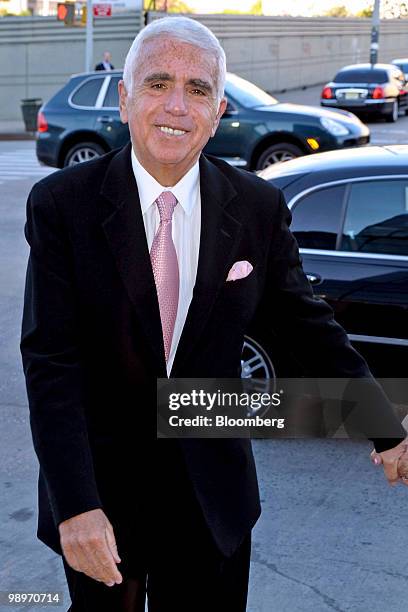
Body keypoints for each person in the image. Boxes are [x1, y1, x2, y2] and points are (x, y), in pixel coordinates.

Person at [20, 16, 407, 612]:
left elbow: (306, 324)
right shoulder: (62, 205)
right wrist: (75, 505)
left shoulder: (255, 206)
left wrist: (383, 423)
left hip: (211, 496)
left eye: (197, 89)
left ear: (219, 108)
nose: (177, 105)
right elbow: (52, 364)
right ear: (124, 100)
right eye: (157, 83)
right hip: (101, 492)